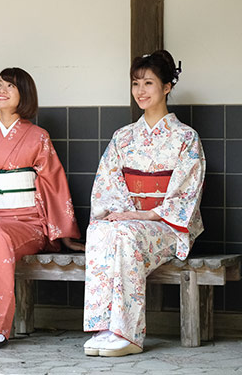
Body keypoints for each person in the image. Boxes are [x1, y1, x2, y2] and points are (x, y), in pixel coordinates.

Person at [82, 50, 205, 357]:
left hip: (165, 226)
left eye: (149, 83)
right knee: (98, 230)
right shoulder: (123, 136)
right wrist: (123, 213)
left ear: (167, 87)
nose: (140, 90)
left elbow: (185, 194)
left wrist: (143, 214)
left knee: (124, 234)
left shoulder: (185, 138)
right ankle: (103, 327)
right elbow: (107, 183)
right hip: (131, 220)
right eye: (136, 83)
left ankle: (127, 333)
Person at [0, 67, 82, 350]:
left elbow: (54, 184)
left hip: (28, 223)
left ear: (24, 95)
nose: (1, 90)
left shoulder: (37, 137)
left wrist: (63, 232)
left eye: (10, 86)